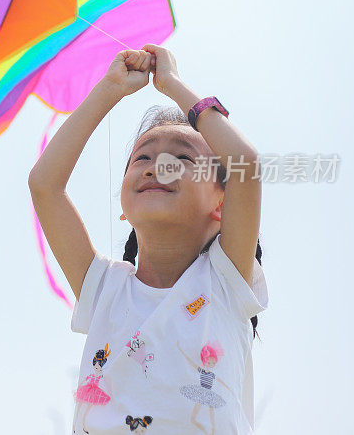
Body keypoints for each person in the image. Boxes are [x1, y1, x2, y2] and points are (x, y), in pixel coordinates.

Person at [28, 44, 268, 434]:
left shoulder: (224, 283)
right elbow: (44, 185)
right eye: (142, 158)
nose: (157, 166)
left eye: (182, 160)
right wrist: (109, 90)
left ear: (221, 205)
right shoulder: (106, 288)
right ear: (124, 207)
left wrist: (171, 84)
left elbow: (246, 165)